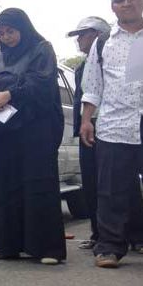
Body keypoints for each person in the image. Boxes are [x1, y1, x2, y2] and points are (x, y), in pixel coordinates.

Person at [0, 8, 66, 265]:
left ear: (23, 29)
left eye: (11, 31)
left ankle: (46, 248)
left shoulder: (42, 49)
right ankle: (6, 245)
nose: (7, 37)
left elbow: (41, 82)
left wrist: (9, 94)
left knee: (37, 182)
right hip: (5, 129)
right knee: (5, 183)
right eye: (1, 32)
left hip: (35, 129)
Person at [80, 0, 143, 268]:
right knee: (111, 190)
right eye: (120, 0)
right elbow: (93, 85)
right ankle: (109, 247)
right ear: (113, 7)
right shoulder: (103, 43)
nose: (127, 3)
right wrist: (86, 120)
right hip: (116, 124)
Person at [67, 16, 111, 250]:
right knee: (91, 183)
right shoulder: (81, 68)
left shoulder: (112, 59)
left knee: (113, 184)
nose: (79, 40)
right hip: (87, 130)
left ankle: (130, 235)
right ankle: (98, 234)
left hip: (110, 129)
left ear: (98, 36)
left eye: (83, 35)